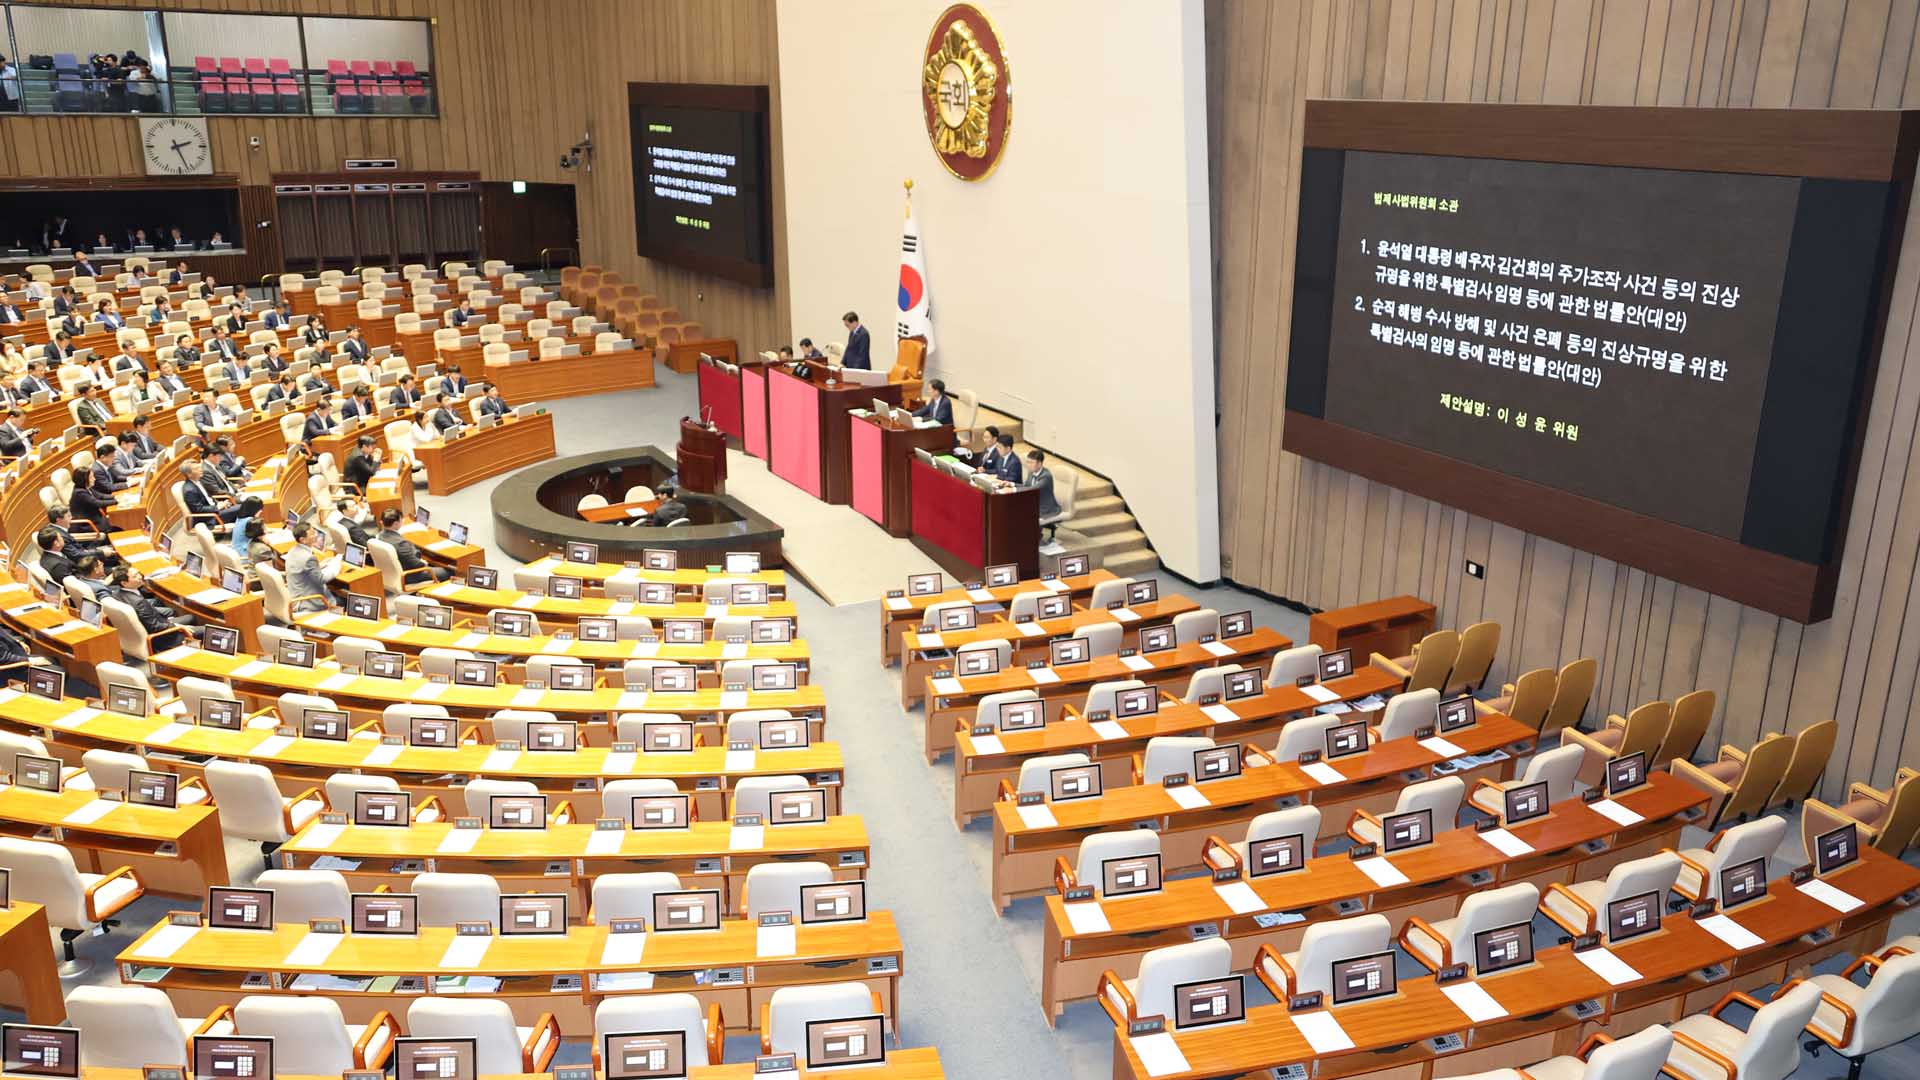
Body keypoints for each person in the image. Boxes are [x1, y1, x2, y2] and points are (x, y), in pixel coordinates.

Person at [103, 565, 194, 650]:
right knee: (203, 630)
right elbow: (155, 627)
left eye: (138, 573)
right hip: (163, 637)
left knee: (191, 617)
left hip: (157, 623)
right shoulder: (138, 602)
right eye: (135, 576)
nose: (140, 576)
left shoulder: (117, 594)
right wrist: (177, 626)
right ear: (124, 583)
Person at [378, 507, 450, 582]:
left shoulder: (380, 536)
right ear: (396, 524)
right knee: (448, 572)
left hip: (391, 573)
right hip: (410, 575)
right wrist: (424, 563)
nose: (403, 521)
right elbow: (416, 565)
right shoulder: (400, 543)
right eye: (401, 520)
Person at [283, 522, 337, 613]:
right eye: (312, 534)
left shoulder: (293, 550)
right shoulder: (308, 558)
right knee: (343, 600)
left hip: (296, 596)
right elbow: (321, 579)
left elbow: (303, 567)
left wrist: (318, 565)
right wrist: (336, 568)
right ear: (303, 540)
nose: (316, 535)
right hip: (309, 603)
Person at [181, 459, 250, 526]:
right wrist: (217, 507)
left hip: (215, 509)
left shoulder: (198, 481)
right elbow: (199, 509)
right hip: (209, 518)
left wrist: (221, 503)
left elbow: (209, 498)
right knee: (244, 507)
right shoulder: (189, 490)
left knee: (245, 505)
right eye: (197, 469)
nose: (201, 469)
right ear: (188, 474)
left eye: (199, 467)